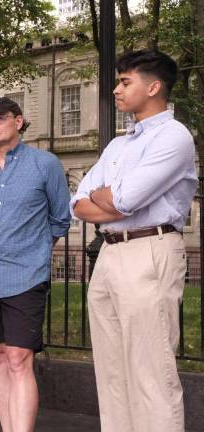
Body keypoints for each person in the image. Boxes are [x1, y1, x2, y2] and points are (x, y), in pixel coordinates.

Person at [72, 50, 196, 432]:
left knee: (150, 370)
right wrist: (111, 201)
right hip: (109, 255)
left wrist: (112, 199)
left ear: (154, 86)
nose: (115, 89)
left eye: (125, 82)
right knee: (112, 372)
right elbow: (77, 203)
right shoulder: (118, 145)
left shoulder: (174, 137)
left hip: (150, 251)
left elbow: (125, 199)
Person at [0, 97, 70, 432]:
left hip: (25, 274)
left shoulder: (45, 164)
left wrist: (35, 252)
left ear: (19, 122)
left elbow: (60, 220)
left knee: (18, 358)